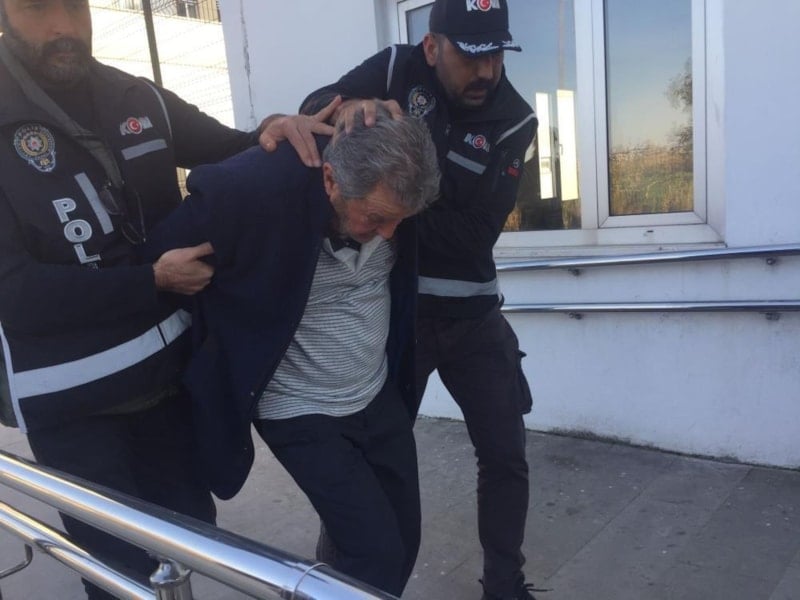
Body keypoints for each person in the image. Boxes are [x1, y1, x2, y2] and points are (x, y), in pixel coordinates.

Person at [0, 1, 333, 598]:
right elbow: (15, 295)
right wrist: (151, 280)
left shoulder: (137, 97)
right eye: (38, 7)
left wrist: (277, 127)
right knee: (119, 576)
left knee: (188, 544)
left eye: (74, 5)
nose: (63, 26)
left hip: (168, 389)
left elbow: (238, 147)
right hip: (74, 410)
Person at [140, 107, 440, 595]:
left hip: (374, 392)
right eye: (376, 218)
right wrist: (164, 277)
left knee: (404, 539)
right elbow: (154, 262)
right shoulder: (253, 191)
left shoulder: (388, 195)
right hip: (299, 410)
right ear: (331, 180)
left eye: (398, 222)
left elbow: (368, 91)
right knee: (375, 551)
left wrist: (352, 101)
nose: (389, 234)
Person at [300, 1, 540, 598]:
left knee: (506, 456)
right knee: (368, 457)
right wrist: (347, 107)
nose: (486, 71)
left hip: (475, 318)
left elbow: (474, 236)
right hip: (397, 317)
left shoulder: (515, 119)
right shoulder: (394, 69)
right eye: (470, 55)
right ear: (432, 47)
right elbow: (314, 111)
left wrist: (386, 200)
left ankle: (505, 585)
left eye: (495, 53)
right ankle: (338, 583)